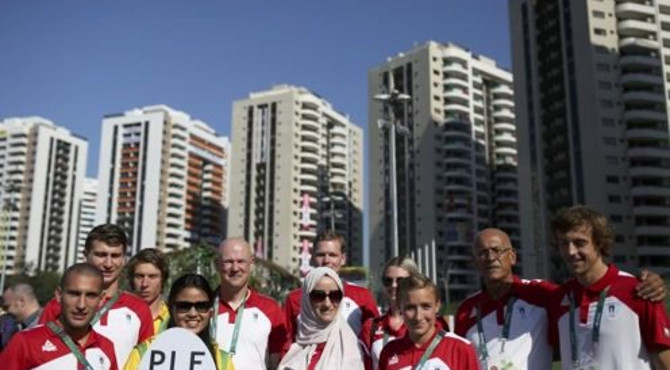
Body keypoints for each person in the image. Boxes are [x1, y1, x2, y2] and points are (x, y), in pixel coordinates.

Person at [455, 227, 668, 370]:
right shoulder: (466, 309)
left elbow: (592, 288)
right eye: (482, 253)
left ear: (512, 256)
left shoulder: (544, 294)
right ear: (475, 263)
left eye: (497, 250)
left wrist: (649, 281)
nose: (491, 257)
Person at [549, 205, 670, 370]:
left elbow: (664, 361)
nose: (571, 251)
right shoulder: (558, 298)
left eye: (579, 243)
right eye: (564, 243)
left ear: (599, 243)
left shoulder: (640, 290)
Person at [39, 224, 154, 365]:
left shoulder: (140, 309)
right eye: (101, 255)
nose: (108, 263)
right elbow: (38, 352)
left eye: (115, 255)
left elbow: (147, 361)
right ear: (86, 256)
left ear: (124, 259)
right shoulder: (58, 304)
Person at [0, 263, 118, 369]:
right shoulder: (25, 342)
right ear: (59, 295)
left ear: (101, 299)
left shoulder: (107, 347)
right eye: (74, 294)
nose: (81, 305)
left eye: (91, 295)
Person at [124, 273, 234, 370]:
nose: (193, 314)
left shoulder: (222, 361)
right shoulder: (144, 353)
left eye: (201, 306)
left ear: (211, 311)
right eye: (184, 306)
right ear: (171, 309)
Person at [284, 230, 379, 342]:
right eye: (321, 255)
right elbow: (287, 344)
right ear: (312, 258)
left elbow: (374, 340)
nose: (326, 260)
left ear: (343, 259)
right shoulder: (294, 299)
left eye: (332, 255)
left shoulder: (362, 296)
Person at [212, 237, 286, 370]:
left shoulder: (270, 309)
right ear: (218, 264)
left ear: (251, 263)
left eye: (241, 261)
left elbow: (277, 364)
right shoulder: (203, 308)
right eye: (228, 262)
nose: (235, 268)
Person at [378, 274, 478, 370]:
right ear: (400, 307)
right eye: (410, 308)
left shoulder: (461, 349)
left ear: (437, 305)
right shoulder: (389, 352)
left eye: (426, 307)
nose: (418, 317)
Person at [279, 267, 364, 370]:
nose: (327, 304)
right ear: (306, 299)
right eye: (318, 296)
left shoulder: (352, 350)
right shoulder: (294, 350)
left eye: (335, 295)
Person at [360, 256, 419, 370]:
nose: (394, 285)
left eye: (400, 280)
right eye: (388, 281)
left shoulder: (430, 323)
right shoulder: (371, 327)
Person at [127, 248, 170, 334]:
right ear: (131, 280)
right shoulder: (119, 316)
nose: (145, 284)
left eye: (152, 276)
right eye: (139, 276)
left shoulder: (173, 319)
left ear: (163, 280)